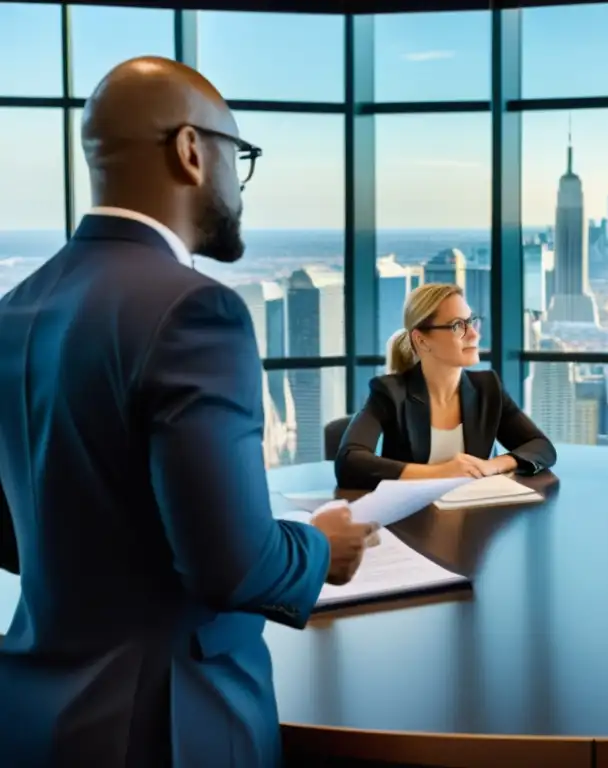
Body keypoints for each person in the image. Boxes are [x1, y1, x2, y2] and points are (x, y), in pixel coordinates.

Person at [0, 57, 376, 767]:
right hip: (168, 724)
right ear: (191, 150)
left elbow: (16, 533)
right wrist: (323, 547)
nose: (240, 182)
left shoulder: (14, 311)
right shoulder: (194, 310)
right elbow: (231, 567)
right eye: (240, 155)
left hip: (33, 715)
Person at [336, 283, 556, 490]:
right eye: (457, 325)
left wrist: (493, 465)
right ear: (422, 341)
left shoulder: (487, 388)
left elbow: (541, 447)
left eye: (472, 321)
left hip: (475, 519)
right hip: (410, 520)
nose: (474, 334)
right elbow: (349, 461)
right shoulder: (390, 392)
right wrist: (441, 472)